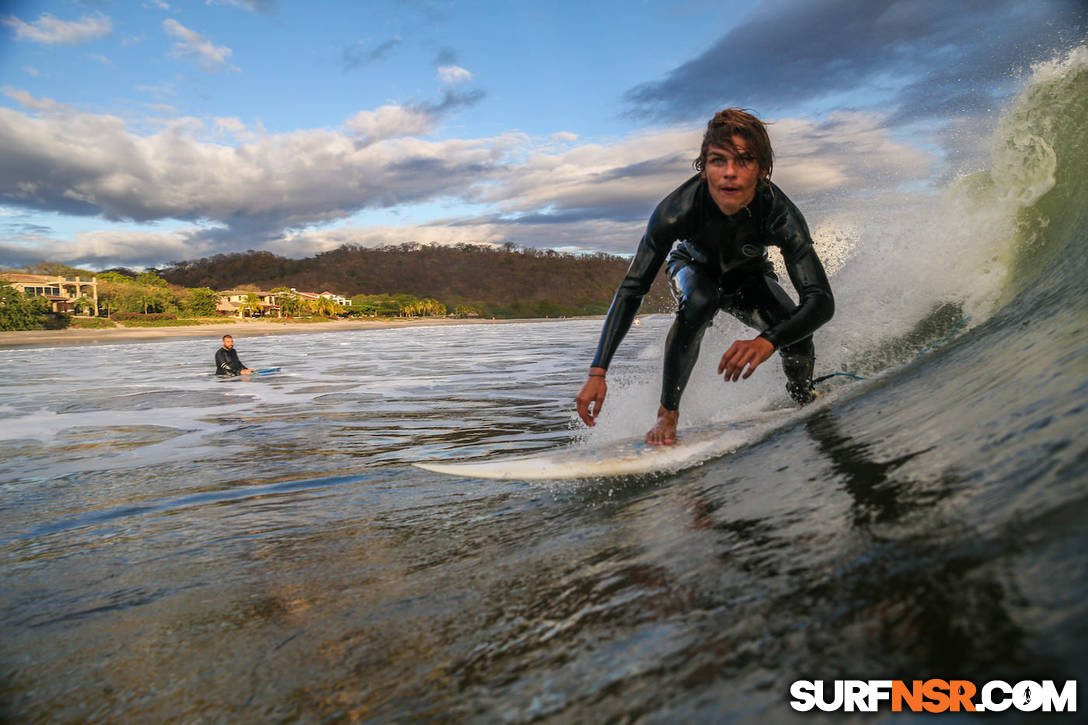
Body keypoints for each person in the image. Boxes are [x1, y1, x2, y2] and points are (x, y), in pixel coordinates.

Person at [576, 108, 834, 446]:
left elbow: (820, 301)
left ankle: (803, 395)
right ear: (703, 168)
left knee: (796, 335)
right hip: (692, 267)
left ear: (763, 172)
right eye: (717, 160)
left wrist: (767, 340)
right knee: (700, 300)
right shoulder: (675, 211)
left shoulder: (779, 214)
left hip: (750, 277)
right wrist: (598, 371)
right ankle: (667, 413)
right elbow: (632, 288)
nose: (729, 173)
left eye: (744, 161)